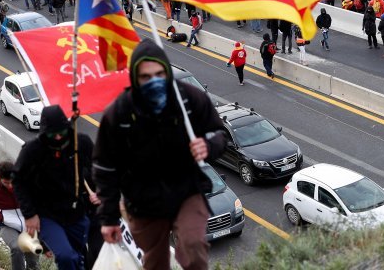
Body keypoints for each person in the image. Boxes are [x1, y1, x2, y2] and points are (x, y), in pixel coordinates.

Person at [92, 38, 226, 270]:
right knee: (155, 262)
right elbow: (105, 168)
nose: (154, 81)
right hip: (142, 201)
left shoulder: (188, 100)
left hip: (187, 190)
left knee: (194, 246)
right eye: (145, 77)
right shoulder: (120, 113)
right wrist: (109, 218)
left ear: (167, 72)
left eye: (159, 74)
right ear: (135, 78)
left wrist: (208, 145)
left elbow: (219, 132)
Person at [13, 105, 93, 270]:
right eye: (52, 134)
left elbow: (99, 168)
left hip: (75, 211)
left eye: (61, 133)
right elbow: (18, 180)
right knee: (65, 255)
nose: (57, 138)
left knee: (77, 256)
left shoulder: (81, 143)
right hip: (47, 214)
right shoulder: (32, 150)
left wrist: (99, 192)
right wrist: (30, 214)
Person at [0, 161, 39, 270]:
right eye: (6, 183)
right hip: (7, 224)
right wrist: (0, 216)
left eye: (12, 182)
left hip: (27, 221)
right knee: (17, 247)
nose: (10, 185)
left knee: (33, 258)